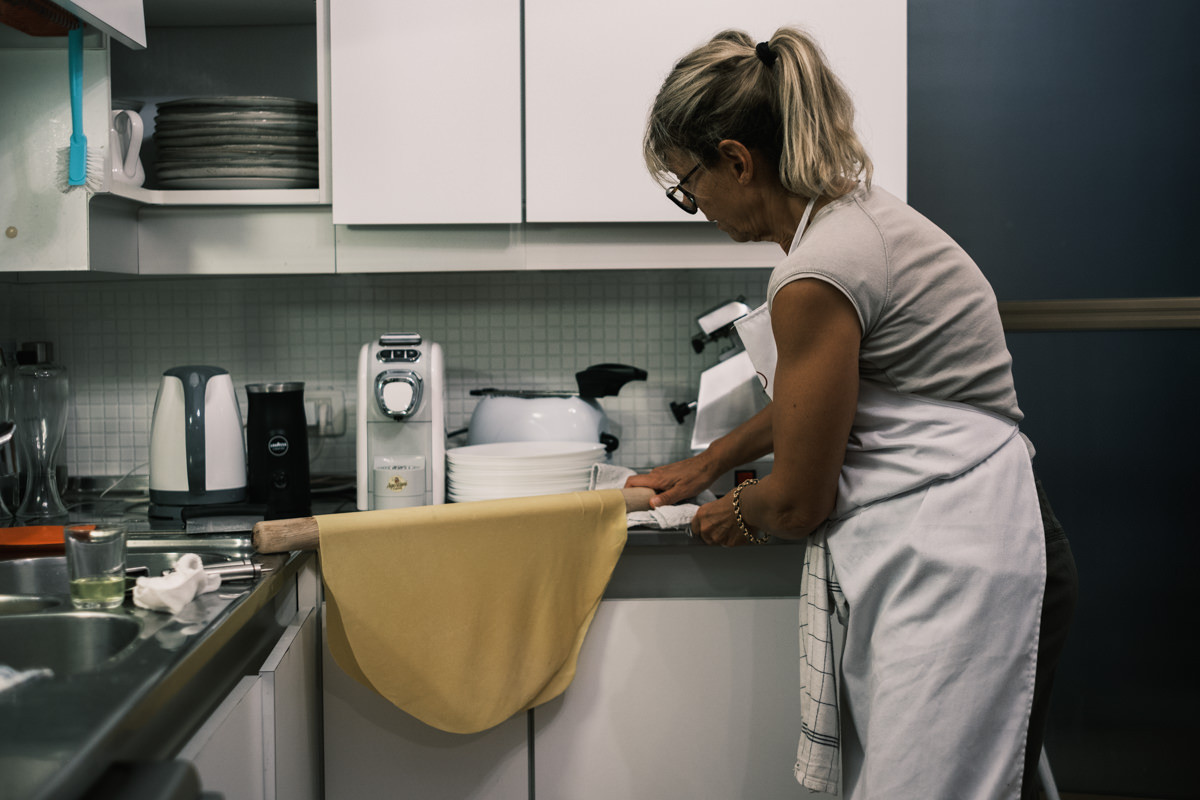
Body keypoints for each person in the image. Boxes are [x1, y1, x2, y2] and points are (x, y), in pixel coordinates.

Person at [627, 27, 1077, 800]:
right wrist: (704, 465)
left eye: (686, 182)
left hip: (964, 556)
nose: (692, 204)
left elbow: (800, 500)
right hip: (963, 540)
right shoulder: (848, 224)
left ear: (737, 160)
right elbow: (834, 398)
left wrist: (723, 513)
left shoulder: (818, 270)